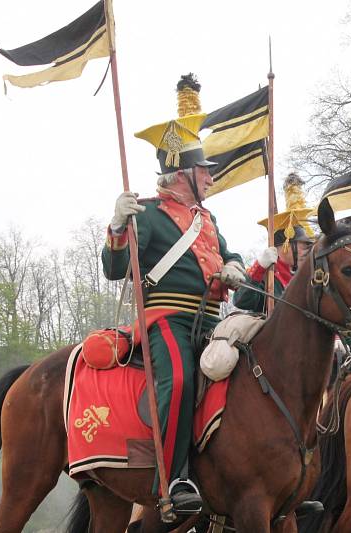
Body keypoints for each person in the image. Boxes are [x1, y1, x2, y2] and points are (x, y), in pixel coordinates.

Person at [102, 108, 244, 514]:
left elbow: (228, 256)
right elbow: (115, 270)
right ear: (182, 175)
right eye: (204, 171)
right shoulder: (145, 215)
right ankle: (172, 481)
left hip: (212, 320)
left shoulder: (208, 219)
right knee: (180, 379)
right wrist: (116, 226)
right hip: (166, 319)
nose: (211, 178)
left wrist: (234, 266)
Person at [233, 172, 315, 313]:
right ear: (286, 246)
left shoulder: (307, 278)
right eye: (304, 246)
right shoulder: (267, 276)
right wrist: (259, 268)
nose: (307, 253)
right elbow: (241, 301)